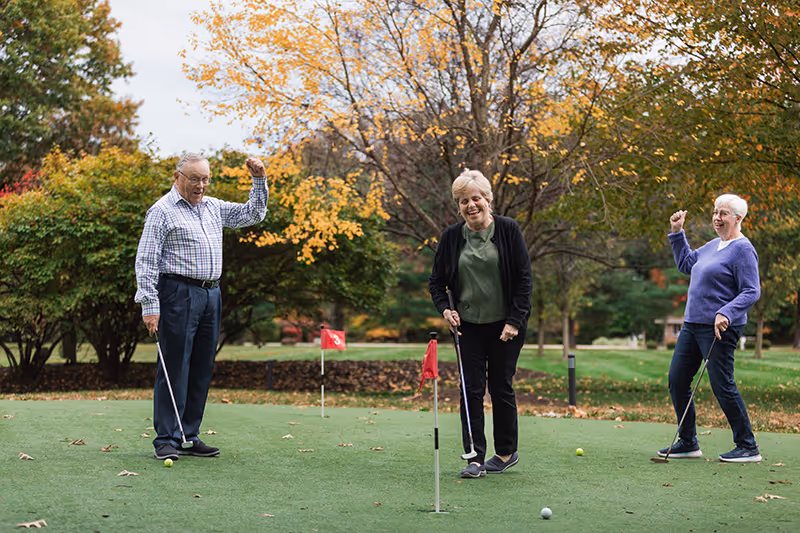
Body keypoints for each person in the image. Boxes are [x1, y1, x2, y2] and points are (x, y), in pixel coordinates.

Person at [134, 153, 268, 461]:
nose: (201, 185)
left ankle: (189, 435)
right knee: (175, 368)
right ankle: (166, 438)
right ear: (177, 177)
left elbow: (252, 215)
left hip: (211, 294)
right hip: (177, 293)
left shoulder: (213, 207)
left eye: (205, 179)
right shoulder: (161, 211)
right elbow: (146, 261)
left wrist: (259, 179)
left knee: (201, 367)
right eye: (194, 179)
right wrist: (149, 304)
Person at [429, 169, 532, 478]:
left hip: (505, 326)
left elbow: (524, 280)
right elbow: (436, 283)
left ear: (488, 199)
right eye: (463, 201)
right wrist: (446, 311)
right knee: (471, 389)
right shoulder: (450, 237)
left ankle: (505, 452)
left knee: (500, 386)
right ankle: (475, 458)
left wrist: (515, 320)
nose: (470, 205)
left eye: (476, 198)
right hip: (468, 326)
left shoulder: (509, 230)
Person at [660, 193, 761, 462]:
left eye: (724, 213)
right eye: (715, 212)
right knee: (677, 380)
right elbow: (685, 264)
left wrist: (725, 312)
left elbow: (751, 291)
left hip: (719, 329)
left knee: (721, 384)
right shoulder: (712, 246)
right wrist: (677, 233)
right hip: (692, 325)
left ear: (738, 219)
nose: (717, 217)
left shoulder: (743, 249)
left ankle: (748, 446)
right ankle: (688, 442)